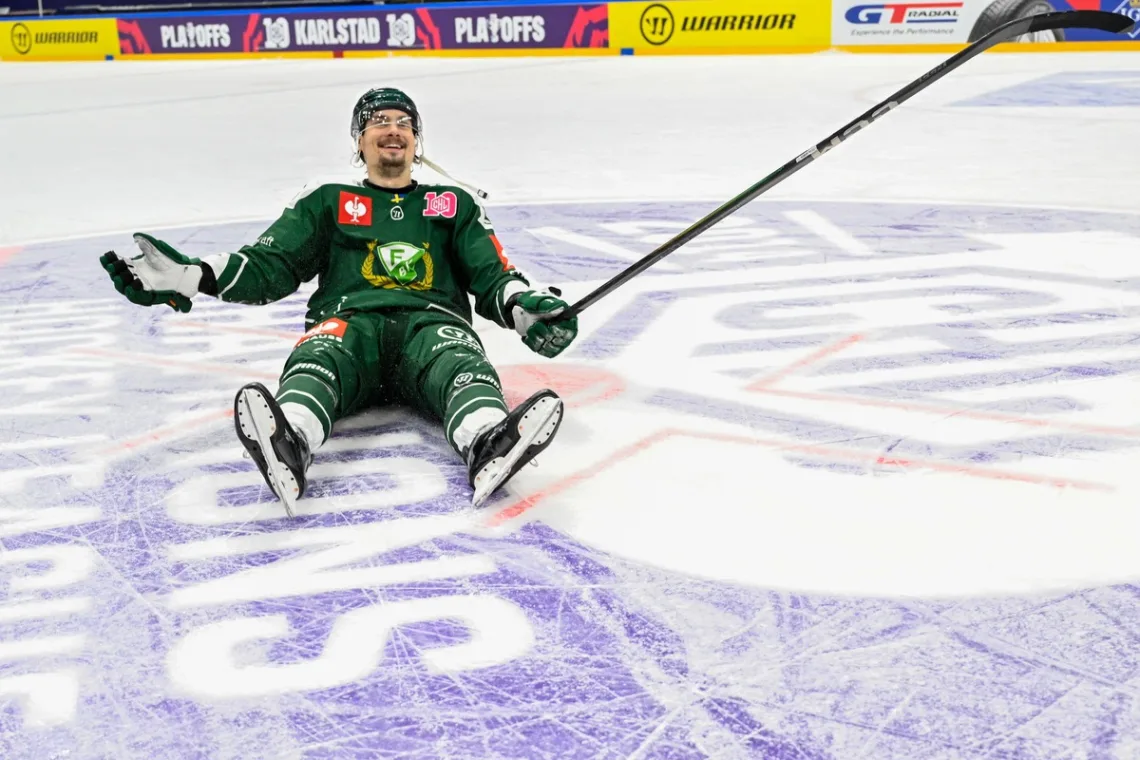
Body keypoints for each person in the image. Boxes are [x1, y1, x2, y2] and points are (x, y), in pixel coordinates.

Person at [99, 87, 579, 516]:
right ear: (359, 140)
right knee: (321, 353)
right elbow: (270, 265)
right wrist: (192, 276)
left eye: (404, 123)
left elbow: (492, 275)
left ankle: (488, 441)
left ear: (416, 141)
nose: (393, 130)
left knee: (458, 357)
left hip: (430, 324)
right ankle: (289, 442)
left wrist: (525, 307)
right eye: (379, 121)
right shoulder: (327, 198)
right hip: (350, 322)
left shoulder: (454, 203)